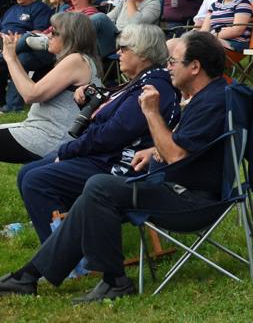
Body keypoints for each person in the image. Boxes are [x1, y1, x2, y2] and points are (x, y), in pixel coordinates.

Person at [0, 31, 227, 303]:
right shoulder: (213, 96)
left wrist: (151, 112)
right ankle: (29, 276)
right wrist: (153, 150)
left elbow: (176, 156)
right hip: (179, 186)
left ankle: (113, 281)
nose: (168, 67)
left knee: (99, 187)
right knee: (94, 192)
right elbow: (188, 146)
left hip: (191, 200)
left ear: (195, 67)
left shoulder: (210, 102)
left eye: (173, 62)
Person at [15, 24, 179, 243]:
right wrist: (95, 99)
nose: (118, 53)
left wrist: (68, 151)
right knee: (27, 173)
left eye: (123, 48)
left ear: (142, 53)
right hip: (110, 156)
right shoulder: (143, 81)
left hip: (125, 166)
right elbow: (114, 121)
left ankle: (66, 255)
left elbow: (112, 134)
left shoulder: (151, 87)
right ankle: (74, 238)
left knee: (36, 181)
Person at [0, 12, 101, 163]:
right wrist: (13, 57)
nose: (48, 36)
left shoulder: (76, 60)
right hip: (43, 132)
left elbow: (30, 94)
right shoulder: (81, 60)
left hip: (51, 138)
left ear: (70, 37)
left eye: (54, 32)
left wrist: (11, 58)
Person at [0, 0, 53, 112]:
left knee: (21, 59)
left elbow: (38, 35)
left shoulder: (41, 9)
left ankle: (13, 106)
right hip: (4, 44)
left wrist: (17, 40)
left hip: (31, 51)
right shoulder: (11, 10)